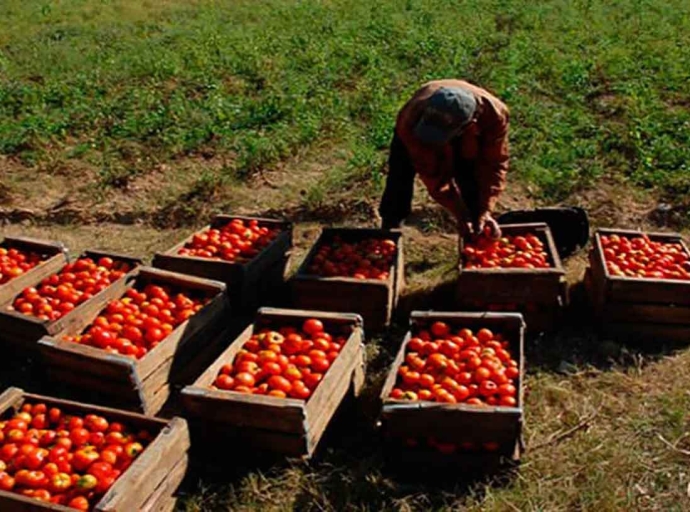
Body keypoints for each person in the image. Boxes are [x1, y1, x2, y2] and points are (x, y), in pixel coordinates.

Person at [378, 79, 510, 240]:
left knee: (470, 174)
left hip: (471, 132)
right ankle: (390, 227)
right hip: (416, 132)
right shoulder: (411, 121)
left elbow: (494, 164)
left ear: (468, 126)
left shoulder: (494, 116)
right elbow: (434, 176)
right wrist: (460, 214)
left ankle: (477, 227)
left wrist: (486, 209)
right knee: (400, 175)